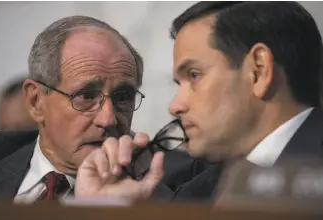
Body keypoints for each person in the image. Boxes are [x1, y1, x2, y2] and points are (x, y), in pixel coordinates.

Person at [73, 1, 323, 203]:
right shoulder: (195, 194)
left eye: (194, 75)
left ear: (258, 70)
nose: (175, 106)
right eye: (177, 84)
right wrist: (111, 215)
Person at [0, 15, 198, 202]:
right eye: (86, 96)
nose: (108, 120)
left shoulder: (174, 184)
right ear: (36, 101)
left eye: (123, 97)